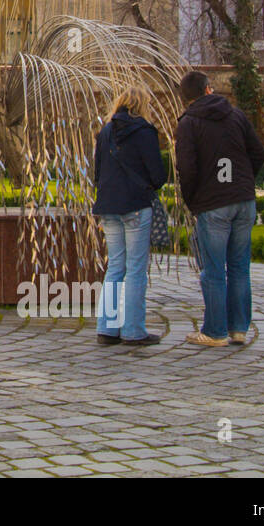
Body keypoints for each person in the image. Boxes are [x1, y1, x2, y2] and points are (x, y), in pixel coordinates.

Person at [174, 71, 264, 348]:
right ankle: (239, 328)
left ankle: (215, 331)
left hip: (213, 203)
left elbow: (186, 168)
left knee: (213, 270)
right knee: (239, 267)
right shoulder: (236, 116)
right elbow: (258, 153)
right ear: (208, 90)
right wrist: (244, 181)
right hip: (242, 199)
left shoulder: (189, 123)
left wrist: (193, 200)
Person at [92, 87, 167, 346]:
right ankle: (134, 330)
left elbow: (97, 171)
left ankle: (107, 328)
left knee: (115, 267)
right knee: (135, 269)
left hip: (108, 204)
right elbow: (157, 173)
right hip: (135, 203)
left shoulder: (106, 131)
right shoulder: (145, 132)